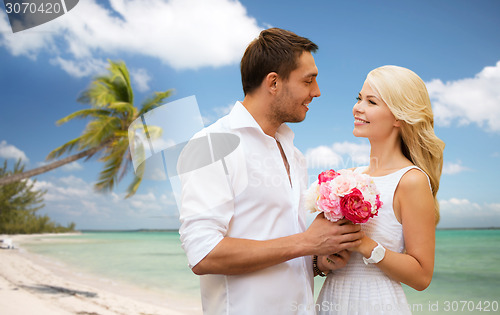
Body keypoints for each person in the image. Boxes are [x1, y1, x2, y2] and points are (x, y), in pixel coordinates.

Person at [178, 28, 363, 315]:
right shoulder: (212, 145)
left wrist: (317, 261)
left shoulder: (294, 154)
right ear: (273, 82)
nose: (317, 91)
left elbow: (285, 245)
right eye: (308, 80)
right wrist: (306, 242)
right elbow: (204, 254)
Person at [315, 65, 445, 314]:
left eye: (371, 102)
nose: (358, 107)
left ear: (398, 117)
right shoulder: (350, 177)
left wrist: (365, 245)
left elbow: (421, 276)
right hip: (332, 301)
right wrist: (327, 259)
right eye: (359, 98)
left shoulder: (411, 180)